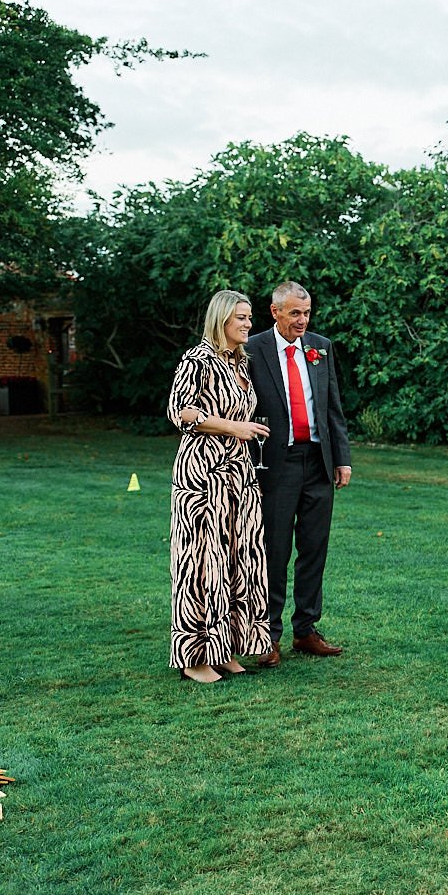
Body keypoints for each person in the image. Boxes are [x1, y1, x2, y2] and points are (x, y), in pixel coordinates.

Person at [167, 290, 273, 683]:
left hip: (240, 472)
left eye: (249, 318)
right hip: (203, 473)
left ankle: (224, 647)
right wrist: (235, 427)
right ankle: (193, 658)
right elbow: (181, 413)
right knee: (202, 561)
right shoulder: (198, 360)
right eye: (241, 318)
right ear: (222, 319)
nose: (248, 324)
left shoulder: (239, 362)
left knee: (238, 557)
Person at [246, 281, 353, 667]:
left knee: (314, 548)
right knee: (274, 551)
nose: (302, 321)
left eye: (306, 313)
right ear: (275, 312)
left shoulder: (320, 347)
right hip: (276, 463)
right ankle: (268, 635)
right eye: (294, 313)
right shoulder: (252, 349)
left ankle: (306, 629)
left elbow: (332, 407)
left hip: (318, 462)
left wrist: (342, 459)